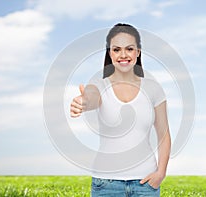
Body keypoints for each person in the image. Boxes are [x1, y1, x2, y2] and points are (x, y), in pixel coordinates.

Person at [70, 23, 171, 197]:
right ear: (110, 53)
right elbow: (91, 98)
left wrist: (160, 173)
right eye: (116, 50)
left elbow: (164, 134)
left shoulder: (153, 88)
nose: (123, 55)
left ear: (138, 52)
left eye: (129, 49)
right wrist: (83, 102)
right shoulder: (99, 85)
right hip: (106, 184)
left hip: (145, 184)